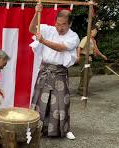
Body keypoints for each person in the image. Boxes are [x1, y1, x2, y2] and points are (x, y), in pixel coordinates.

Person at [29, 4, 80, 139]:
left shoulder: (73, 36)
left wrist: (43, 41)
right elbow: (31, 29)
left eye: (63, 25)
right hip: (45, 69)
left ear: (70, 24)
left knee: (61, 102)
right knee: (40, 99)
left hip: (60, 72)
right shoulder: (48, 29)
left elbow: (60, 48)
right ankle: (37, 128)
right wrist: (36, 13)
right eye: (58, 24)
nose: (59, 27)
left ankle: (63, 129)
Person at [77, 28, 108, 95]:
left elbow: (96, 50)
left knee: (88, 74)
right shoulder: (86, 38)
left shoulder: (93, 40)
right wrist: (78, 56)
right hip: (84, 58)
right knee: (86, 74)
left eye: (96, 32)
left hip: (88, 58)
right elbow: (79, 47)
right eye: (94, 31)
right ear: (90, 31)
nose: (95, 33)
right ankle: (81, 90)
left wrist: (103, 56)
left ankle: (83, 89)